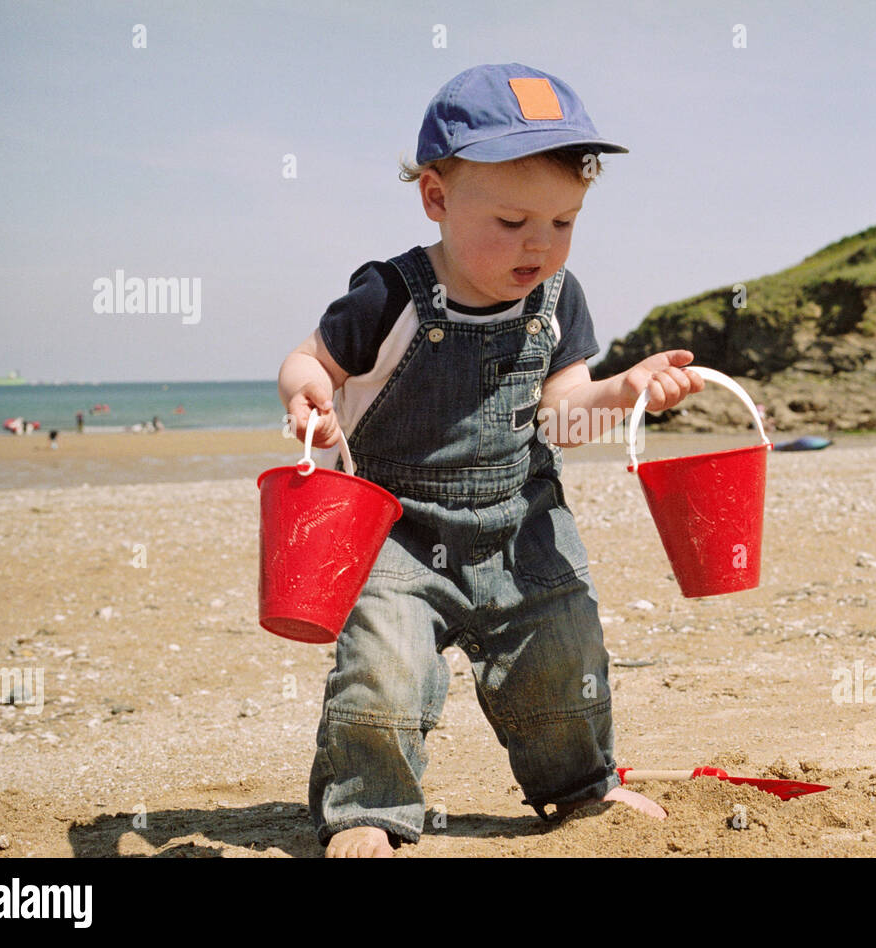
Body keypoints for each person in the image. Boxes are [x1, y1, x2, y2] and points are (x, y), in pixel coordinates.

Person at [277, 63, 703, 858]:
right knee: (383, 673)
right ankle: (367, 808)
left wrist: (624, 391)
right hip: (394, 533)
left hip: (523, 526)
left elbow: (563, 418)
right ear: (436, 197)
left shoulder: (557, 298)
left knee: (563, 656)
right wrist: (307, 394)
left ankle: (582, 788)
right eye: (511, 222)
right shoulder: (389, 294)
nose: (539, 244)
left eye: (564, 222)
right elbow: (309, 361)